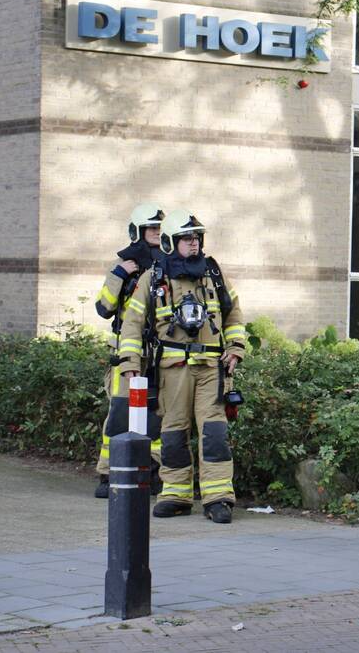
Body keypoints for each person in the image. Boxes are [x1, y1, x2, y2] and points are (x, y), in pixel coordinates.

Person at [118, 209, 246, 524]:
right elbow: (132, 323)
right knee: (173, 433)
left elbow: (234, 315)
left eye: (196, 238)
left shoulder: (214, 273)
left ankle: (218, 498)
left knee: (214, 432)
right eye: (186, 238)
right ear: (169, 242)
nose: (193, 244)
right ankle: (176, 495)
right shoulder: (154, 277)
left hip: (210, 368)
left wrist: (236, 348)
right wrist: (130, 363)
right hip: (171, 370)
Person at [93, 203, 166, 498]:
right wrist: (119, 274)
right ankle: (109, 474)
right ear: (137, 232)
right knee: (120, 413)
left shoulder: (169, 266)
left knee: (156, 417)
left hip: (159, 356)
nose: (157, 233)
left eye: (160, 228)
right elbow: (103, 307)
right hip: (127, 354)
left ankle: (154, 474)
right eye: (152, 228)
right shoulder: (124, 267)